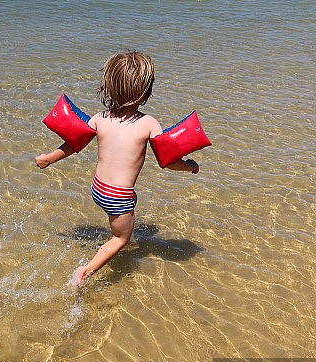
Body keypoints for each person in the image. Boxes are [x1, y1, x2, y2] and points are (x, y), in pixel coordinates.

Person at [35, 51, 200, 286]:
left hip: (98, 188)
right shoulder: (148, 123)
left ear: (109, 86)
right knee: (120, 237)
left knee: (131, 203)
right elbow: (168, 161)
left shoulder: (99, 118)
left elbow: (74, 143)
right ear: (146, 91)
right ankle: (86, 270)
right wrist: (190, 166)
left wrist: (48, 159)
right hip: (117, 195)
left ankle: (124, 237)